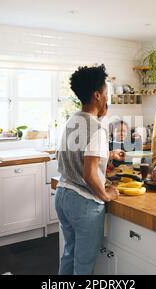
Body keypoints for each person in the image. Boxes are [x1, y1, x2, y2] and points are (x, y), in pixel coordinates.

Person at [55, 64, 125, 275]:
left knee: (69, 252)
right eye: (106, 94)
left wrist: (107, 157)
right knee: (83, 264)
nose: (107, 99)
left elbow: (71, 156)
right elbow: (89, 173)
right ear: (97, 95)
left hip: (62, 195)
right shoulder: (97, 128)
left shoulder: (72, 120)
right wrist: (106, 195)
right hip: (83, 203)